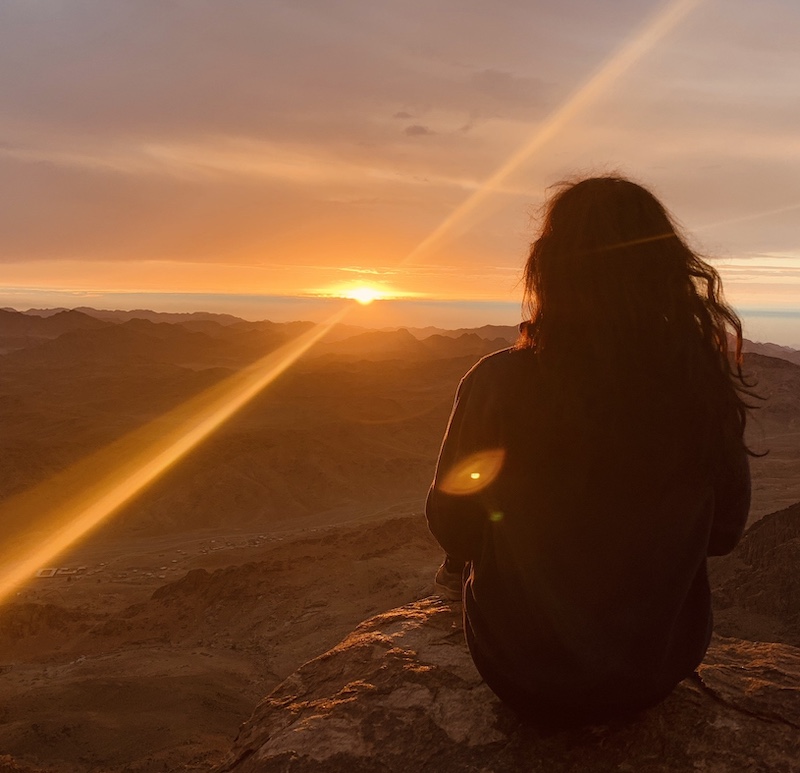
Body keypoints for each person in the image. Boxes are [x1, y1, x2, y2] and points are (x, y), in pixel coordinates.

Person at [425, 175, 753, 725]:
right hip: (655, 673)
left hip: (520, 675)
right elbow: (724, 534)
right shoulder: (697, 386)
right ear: (667, 272)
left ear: (549, 271)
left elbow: (452, 526)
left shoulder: (499, 381)